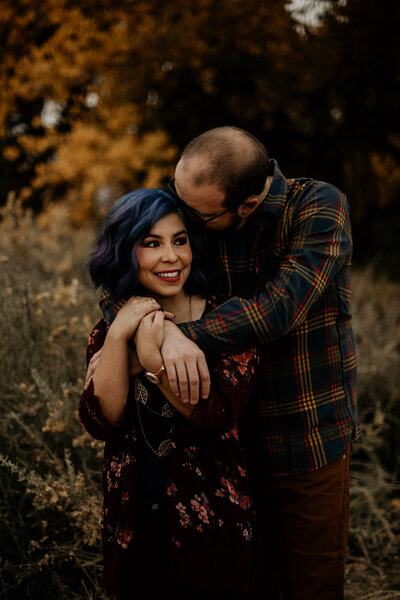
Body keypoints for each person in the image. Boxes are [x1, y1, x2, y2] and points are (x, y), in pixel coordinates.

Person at [100, 126, 361, 599]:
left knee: (309, 586)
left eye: (197, 222)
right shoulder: (202, 206)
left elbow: (277, 310)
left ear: (244, 205)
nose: (189, 231)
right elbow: (128, 270)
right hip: (222, 455)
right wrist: (138, 327)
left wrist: (178, 337)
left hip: (301, 442)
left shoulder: (319, 208)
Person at [78, 188, 259, 599]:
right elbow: (100, 421)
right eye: (152, 244)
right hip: (133, 514)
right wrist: (125, 328)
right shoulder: (109, 327)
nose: (171, 257)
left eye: (179, 241)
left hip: (213, 519)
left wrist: (146, 359)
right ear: (126, 251)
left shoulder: (227, 317)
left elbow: (214, 414)